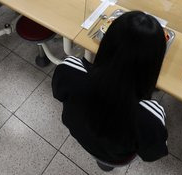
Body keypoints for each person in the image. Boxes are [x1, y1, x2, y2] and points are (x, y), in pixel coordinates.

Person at [52, 11, 168, 169]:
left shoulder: (69, 68)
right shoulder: (151, 116)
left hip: (80, 135)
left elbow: (58, 94)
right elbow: (152, 153)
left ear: (106, 42)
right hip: (117, 156)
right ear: (155, 63)